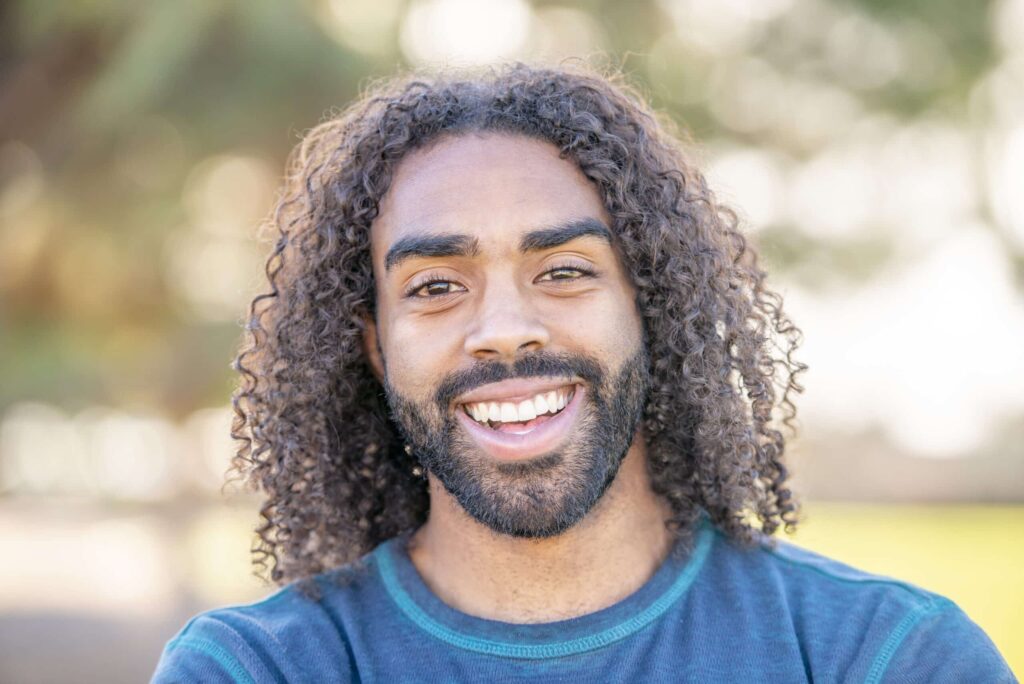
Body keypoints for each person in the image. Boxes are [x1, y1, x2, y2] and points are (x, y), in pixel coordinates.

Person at [151, 63, 1015, 683]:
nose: (503, 332)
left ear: (652, 306)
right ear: (375, 348)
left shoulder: (883, 656)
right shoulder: (258, 670)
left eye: (564, 270)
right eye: (436, 286)